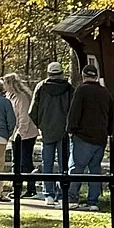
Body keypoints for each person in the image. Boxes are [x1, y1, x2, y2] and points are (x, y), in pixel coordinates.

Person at [66, 58, 113, 211]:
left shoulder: (81, 90)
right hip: (100, 137)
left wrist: (70, 129)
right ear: (96, 76)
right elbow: (111, 115)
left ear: (83, 75)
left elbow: (74, 112)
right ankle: (93, 201)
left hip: (82, 135)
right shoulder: (105, 92)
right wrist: (108, 132)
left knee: (76, 168)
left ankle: (72, 198)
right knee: (95, 169)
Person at [30, 60, 73, 203]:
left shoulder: (41, 87)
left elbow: (32, 110)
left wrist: (41, 124)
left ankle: (48, 193)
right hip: (64, 130)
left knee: (46, 162)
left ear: (48, 73)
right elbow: (73, 110)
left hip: (47, 129)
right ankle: (62, 194)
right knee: (64, 164)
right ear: (61, 73)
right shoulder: (68, 88)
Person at [2, 72, 40, 198]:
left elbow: (24, 117)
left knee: (25, 161)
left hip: (26, 134)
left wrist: (20, 134)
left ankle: (31, 188)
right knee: (16, 161)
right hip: (15, 134)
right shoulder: (9, 96)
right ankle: (16, 188)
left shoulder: (21, 97)